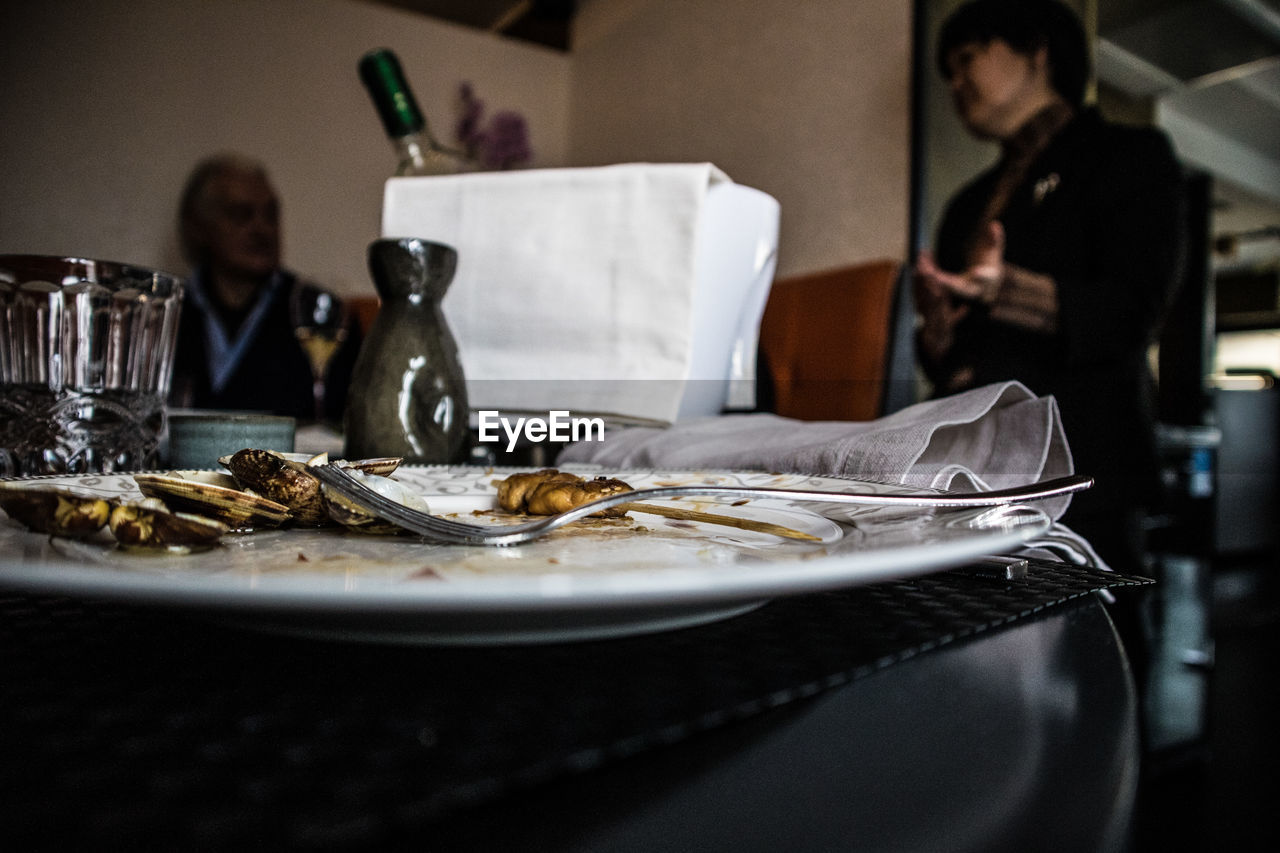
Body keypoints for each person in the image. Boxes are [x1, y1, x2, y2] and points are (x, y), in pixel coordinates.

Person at [914, 0, 1185, 579]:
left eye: (967, 60)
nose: (956, 84)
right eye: (949, 73)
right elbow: (957, 359)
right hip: (979, 467)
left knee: (1098, 639)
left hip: (1087, 459)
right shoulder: (970, 202)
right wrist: (937, 332)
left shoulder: (1131, 157)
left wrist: (1008, 290)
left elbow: (1132, 313)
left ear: (1037, 52)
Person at [169, 154, 360, 423]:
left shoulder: (321, 314)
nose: (262, 229)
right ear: (199, 227)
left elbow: (345, 423)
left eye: (271, 215)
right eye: (241, 215)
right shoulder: (164, 311)